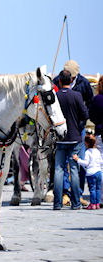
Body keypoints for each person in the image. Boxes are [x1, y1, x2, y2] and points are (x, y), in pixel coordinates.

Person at [53, 60, 93, 206]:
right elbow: (85, 113)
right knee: (74, 168)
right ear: (70, 79)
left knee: (59, 169)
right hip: (75, 135)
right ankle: (72, 200)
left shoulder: (57, 95)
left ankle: (58, 203)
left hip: (61, 136)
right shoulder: (76, 95)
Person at [73, 134, 102, 209]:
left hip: (91, 173)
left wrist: (77, 159)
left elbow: (86, 163)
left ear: (86, 143)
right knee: (98, 189)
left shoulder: (87, 152)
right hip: (99, 172)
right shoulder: (98, 151)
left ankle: (92, 204)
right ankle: (97, 204)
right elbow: (101, 161)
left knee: (92, 189)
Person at [89, 76, 103, 206]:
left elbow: (91, 115)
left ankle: (101, 197)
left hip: (100, 133)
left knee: (101, 165)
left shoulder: (98, 99)